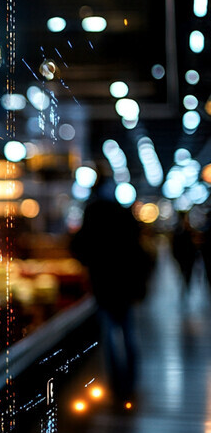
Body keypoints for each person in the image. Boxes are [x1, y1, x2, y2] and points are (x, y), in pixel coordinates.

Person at [71, 171, 153, 407]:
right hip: (125, 284)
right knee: (127, 332)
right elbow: (138, 249)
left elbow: (79, 245)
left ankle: (117, 384)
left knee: (108, 335)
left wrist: (90, 262)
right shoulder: (124, 214)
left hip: (102, 283)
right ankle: (130, 383)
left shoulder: (93, 212)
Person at [171, 212, 197, 297]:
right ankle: (185, 289)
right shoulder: (179, 231)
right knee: (184, 273)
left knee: (187, 274)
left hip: (189, 258)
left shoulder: (189, 230)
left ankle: (186, 288)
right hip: (183, 257)